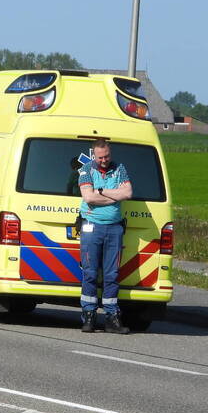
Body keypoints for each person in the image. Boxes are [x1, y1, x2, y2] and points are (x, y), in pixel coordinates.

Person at [77, 139, 133, 333]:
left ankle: (112, 317)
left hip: (114, 228)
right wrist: (113, 196)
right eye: (100, 157)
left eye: (107, 156)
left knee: (112, 275)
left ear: (110, 153)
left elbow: (127, 193)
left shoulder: (119, 168)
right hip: (91, 226)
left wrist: (101, 191)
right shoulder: (86, 170)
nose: (104, 160)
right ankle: (89, 315)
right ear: (94, 155)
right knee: (90, 272)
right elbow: (88, 197)